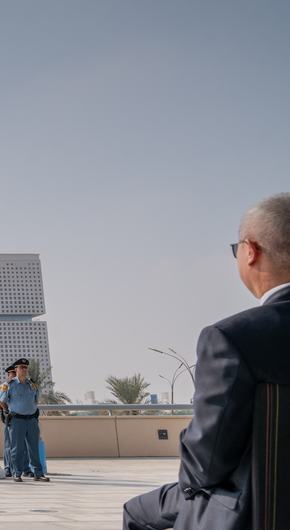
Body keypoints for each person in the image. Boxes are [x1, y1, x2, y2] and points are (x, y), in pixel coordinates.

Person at [124, 193, 290, 530]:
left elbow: (204, 465)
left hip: (255, 511)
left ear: (250, 251)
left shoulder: (234, 338)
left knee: (138, 512)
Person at [0, 358, 49, 483]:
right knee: (17, 449)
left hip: (32, 420)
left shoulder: (32, 384)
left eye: (26, 367)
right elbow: (1, 400)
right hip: (17, 420)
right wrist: (7, 411)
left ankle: (38, 473)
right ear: (16, 369)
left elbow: (35, 399)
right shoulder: (9, 385)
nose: (24, 369)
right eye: (21, 367)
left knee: (34, 448)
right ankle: (17, 473)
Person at [0, 365, 17, 478]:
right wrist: (5, 411)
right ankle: (8, 468)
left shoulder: (17, 385)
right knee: (9, 443)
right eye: (13, 373)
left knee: (15, 443)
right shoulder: (5, 386)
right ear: (9, 374)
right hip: (11, 416)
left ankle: (15, 468)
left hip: (18, 416)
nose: (15, 375)